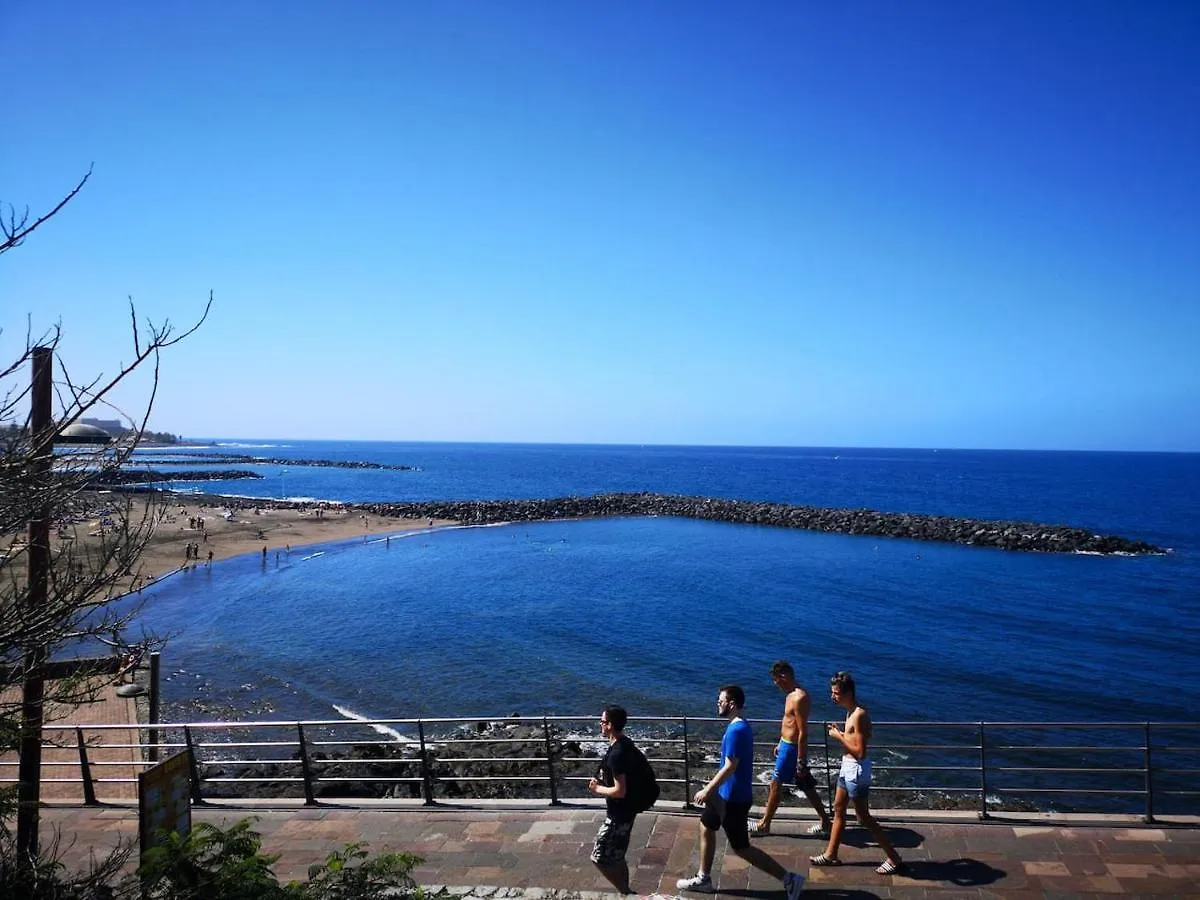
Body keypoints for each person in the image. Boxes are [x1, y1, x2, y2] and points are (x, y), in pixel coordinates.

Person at [676, 685, 805, 898]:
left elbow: (730, 766)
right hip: (724, 796)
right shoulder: (740, 726)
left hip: (732, 798)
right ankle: (703, 878)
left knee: (741, 848)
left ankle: (789, 879)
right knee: (706, 826)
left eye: (721, 701)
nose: (718, 703)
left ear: (732, 704)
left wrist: (708, 789)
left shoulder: (736, 730)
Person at [810, 672, 903, 875]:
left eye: (835, 693)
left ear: (848, 692)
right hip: (847, 767)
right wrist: (844, 734)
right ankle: (830, 855)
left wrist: (837, 736)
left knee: (863, 818)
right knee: (838, 810)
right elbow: (856, 741)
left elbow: (860, 752)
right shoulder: (850, 711)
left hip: (856, 770)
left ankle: (894, 858)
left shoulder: (859, 715)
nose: (832, 697)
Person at [752, 661, 832, 837]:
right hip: (786, 745)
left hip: (792, 748)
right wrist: (781, 742)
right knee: (805, 785)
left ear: (784, 676)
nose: (775, 684)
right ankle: (826, 822)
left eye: (777, 679)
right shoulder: (790, 695)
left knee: (775, 783)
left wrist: (801, 760)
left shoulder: (799, 698)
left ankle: (765, 824)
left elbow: (803, 731)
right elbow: (789, 724)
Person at [587, 705, 640, 894]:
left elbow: (620, 791)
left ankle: (625, 891)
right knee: (618, 856)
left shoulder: (617, 754)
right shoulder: (626, 743)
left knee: (598, 857)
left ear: (609, 725)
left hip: (617, 816)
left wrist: (597, 788)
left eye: (602, 722)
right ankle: (626, 889)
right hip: (628, 812)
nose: (600, 725)